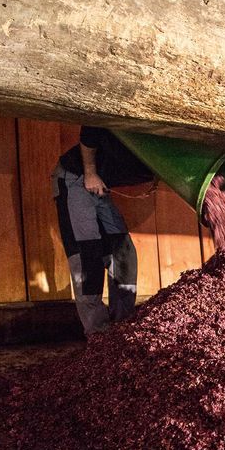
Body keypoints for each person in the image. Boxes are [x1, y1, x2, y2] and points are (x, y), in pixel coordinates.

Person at [53, 126, 155, 336]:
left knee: (123, 252)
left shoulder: (165, 149)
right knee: (87, 253)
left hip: (101, 184)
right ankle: (98, 334)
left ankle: (121, 327)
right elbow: (90, 129)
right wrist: (90, 173)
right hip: (77, 177)